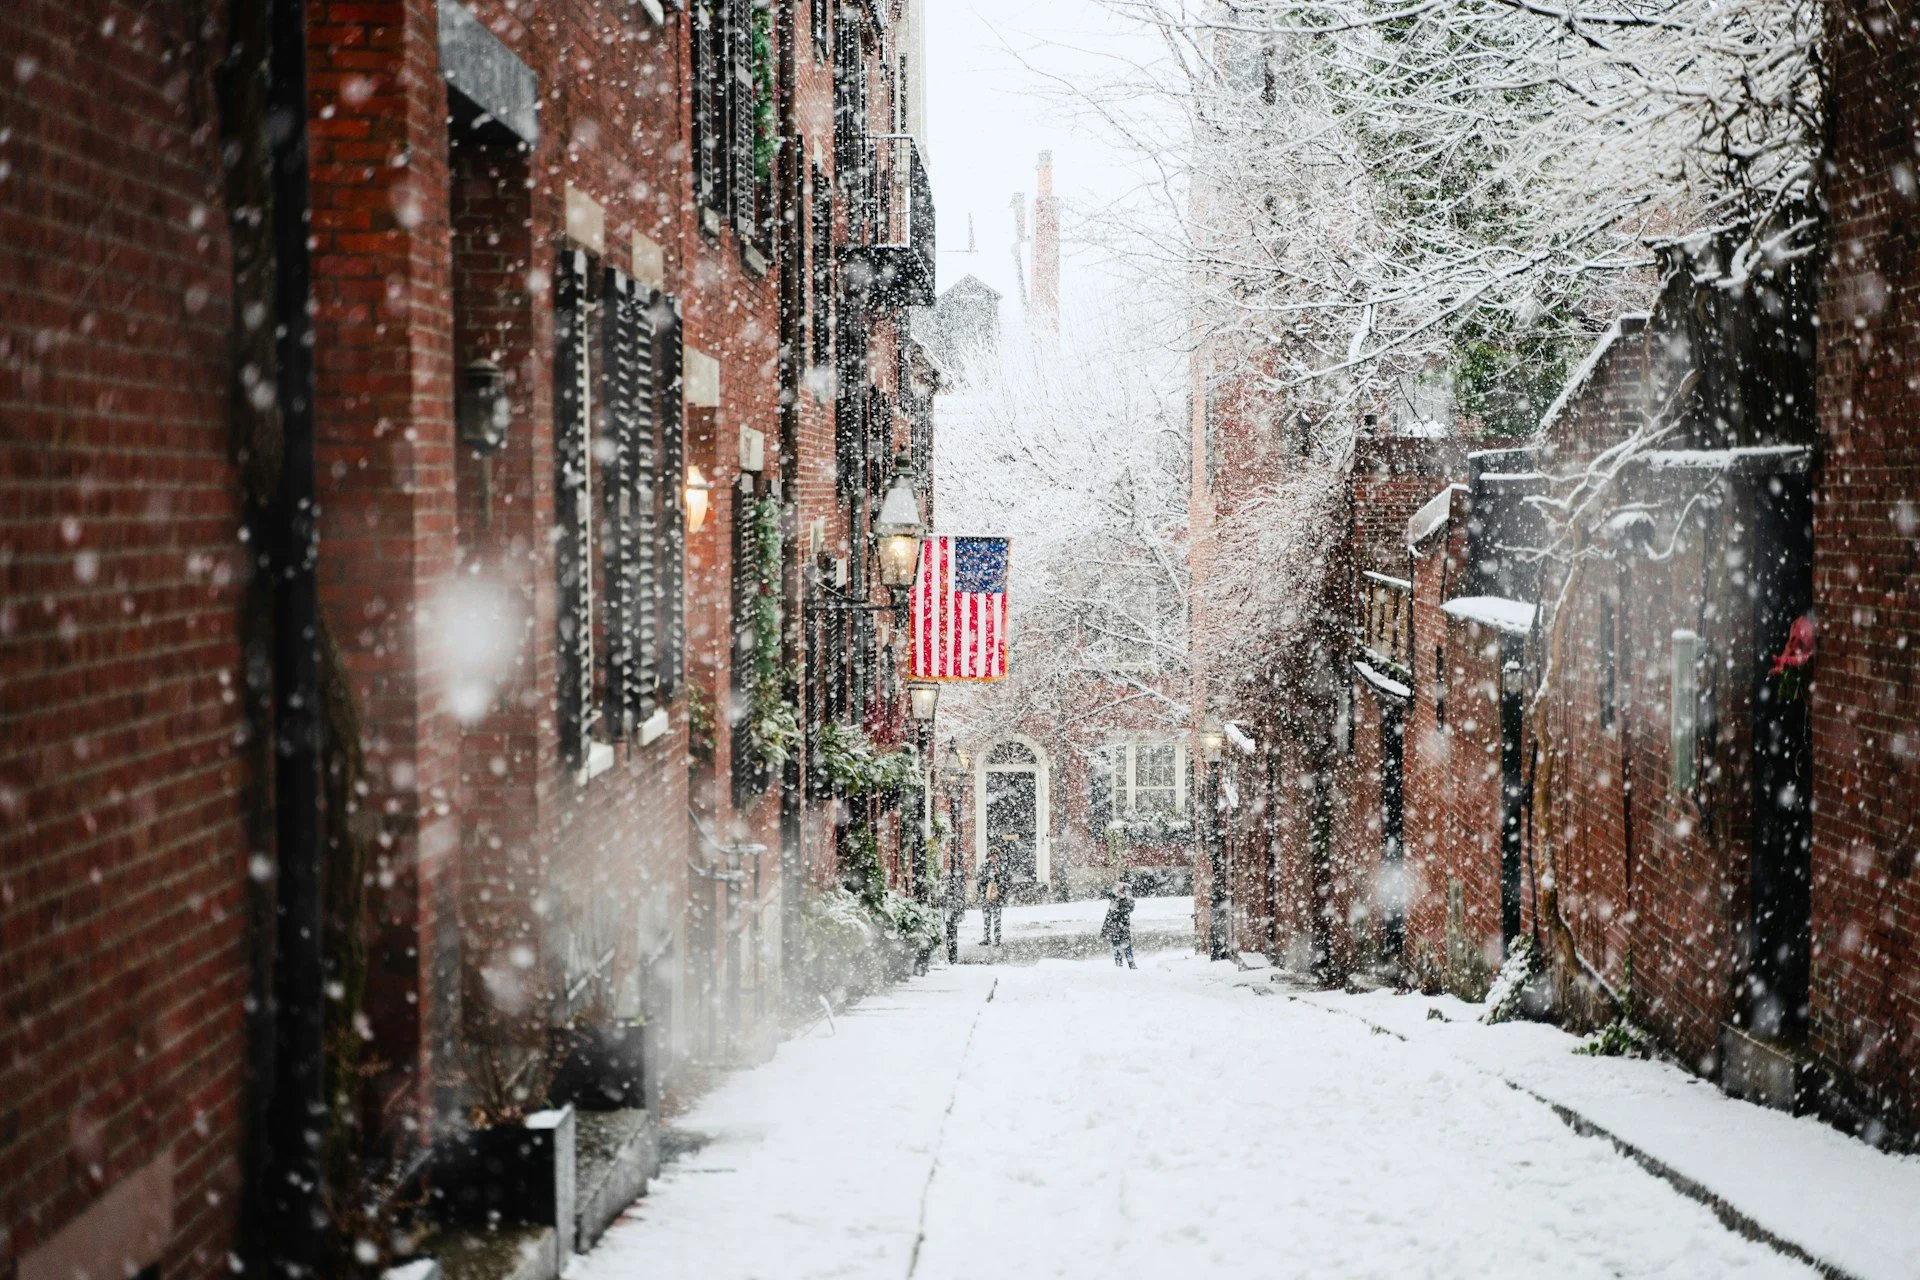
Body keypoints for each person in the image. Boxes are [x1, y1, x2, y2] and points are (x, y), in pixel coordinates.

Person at [978, 841, 1009, 947]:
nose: (993, 858)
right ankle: (987, 938)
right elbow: (980, 880)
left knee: (996, 919)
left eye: (994, 856)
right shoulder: (984, 866)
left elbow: (1005, 881)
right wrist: (988, 877)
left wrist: (999, 876)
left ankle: (997, 939)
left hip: (996, 897)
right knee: (987, 918)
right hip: (986, 896)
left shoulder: (1000, 866)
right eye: (992, 856)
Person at [1101, 880, 1136, 969]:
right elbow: (1106, 893)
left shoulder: (1127, 898)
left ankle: (1132, 965)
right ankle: (1118, 965)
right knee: (1115, 946)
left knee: (1126, 946)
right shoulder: (1115, 896)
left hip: (1123, 925)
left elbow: (1130, 908)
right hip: (1113, 925)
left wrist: (1122, 899)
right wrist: (1116, 894)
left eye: (1121, 890)